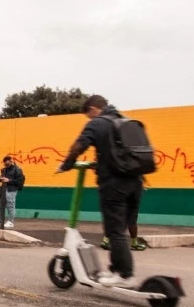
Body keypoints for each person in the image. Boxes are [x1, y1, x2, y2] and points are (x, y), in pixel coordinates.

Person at [56, 95, 143, 288]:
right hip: (136, 183)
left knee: (114, 231)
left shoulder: (98, 123)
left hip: (115, 185)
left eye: (89, 115)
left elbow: (79, 145)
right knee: (119, 230)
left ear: (93, 109)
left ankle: (124, 275)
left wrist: (66, 164)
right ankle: (116, 270)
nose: (89, 119)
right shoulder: (125, 120)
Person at [0, 155, 24, 229]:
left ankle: (11, 222)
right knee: (3, 204)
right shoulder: (5, 169)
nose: (6, 165)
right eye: (5, 163)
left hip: (12, 189)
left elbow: (19, 181)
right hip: (5, 188)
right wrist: (2, 178)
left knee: (10, 205)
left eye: (7, 163)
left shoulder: (17, 169)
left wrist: (8, 180)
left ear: (11, 161)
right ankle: (1, 220)